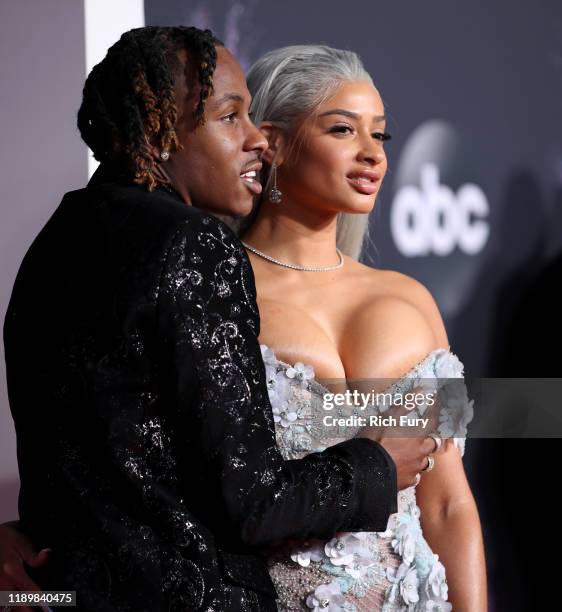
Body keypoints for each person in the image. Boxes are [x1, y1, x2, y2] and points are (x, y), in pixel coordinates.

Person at [0, 27, 435, 612]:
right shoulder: (191, 243)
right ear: (159, 135)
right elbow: (254, 502)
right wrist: (377, 466)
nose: (256, 140)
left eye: (379, 132)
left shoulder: (53, 241)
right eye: (230, 117)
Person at [228, 45, 486, 610]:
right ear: (270, 141)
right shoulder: (219, 294)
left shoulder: (409, 298)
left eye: (381, 135)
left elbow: (447, 505)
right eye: (344, 130)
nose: (372, 154)